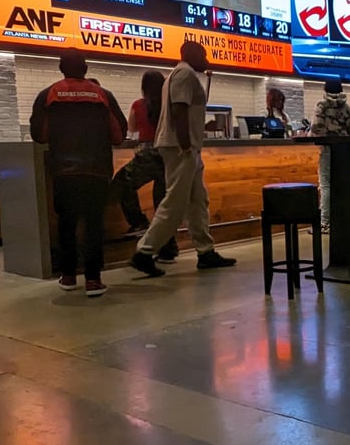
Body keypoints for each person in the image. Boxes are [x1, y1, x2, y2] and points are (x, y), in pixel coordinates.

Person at [129, 41, 236, 276]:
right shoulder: (185, 74)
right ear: (191, 55)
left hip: (185, 147)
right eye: (203, 55)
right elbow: (179, 109)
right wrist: (186, 145)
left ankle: (205, 250)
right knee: (175, 202)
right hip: (180, 148)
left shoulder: (179, 75)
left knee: (198, 199)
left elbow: (184, 112)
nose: (206, 59)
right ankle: (144, 252)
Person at [30, 48, 126, 297]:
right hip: (97, 171)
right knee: (94, 224)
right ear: (85, 68)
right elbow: (118, 135)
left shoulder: (48, 95)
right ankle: (93, 280)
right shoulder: (103, 95)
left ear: (61, 68)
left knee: (66, 224)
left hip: (64, 172)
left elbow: (40, 135)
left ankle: (68, 275)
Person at [113, 70, 177, 260]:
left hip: (146, 157)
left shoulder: (138, 105)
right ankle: (168, 249)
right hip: (167, 156)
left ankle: (139, 222)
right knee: (162, 204)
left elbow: (131, 128)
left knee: (122, 182)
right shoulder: (170, 105)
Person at [312, 78, 350, 233]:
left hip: (328, 149)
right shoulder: (347, 109)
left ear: (325, 90)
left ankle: (325, 222)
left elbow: (316, 129)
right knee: (341, 186)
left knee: (325, 185)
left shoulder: (322, 106)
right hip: (344, 151)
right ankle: (341, 221)